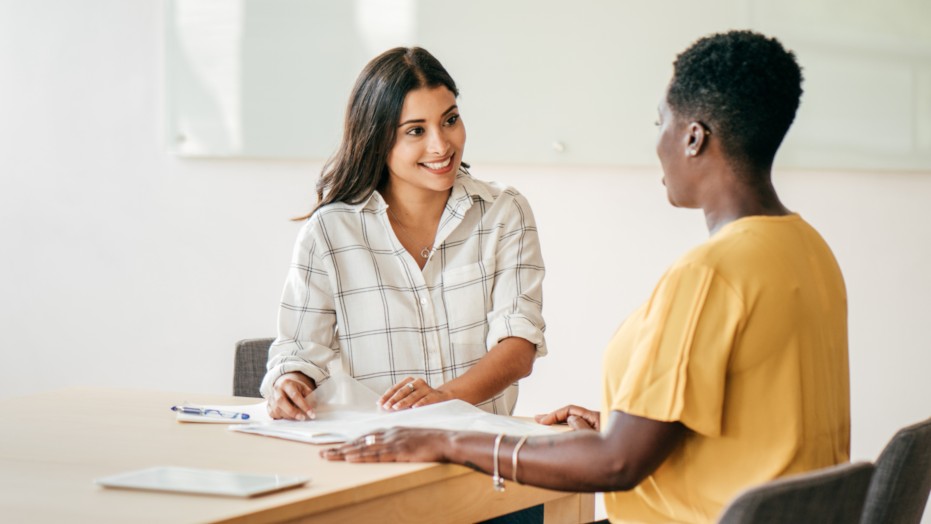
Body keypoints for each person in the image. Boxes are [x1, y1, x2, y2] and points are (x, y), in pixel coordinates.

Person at [321, 30, 851, 524]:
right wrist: (622, 426)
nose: (658, 143)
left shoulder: (709, 275)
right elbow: (757, 425)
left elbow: (617, 467)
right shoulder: (808, 250)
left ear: (693, 138)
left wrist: (446, 442)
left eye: (659, 123)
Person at [260, 47, 547, 422]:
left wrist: (442, 399)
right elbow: (298, 350)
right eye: (416, 130)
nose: (441, 145)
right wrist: (290, 382)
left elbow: (518, 345)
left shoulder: (503, 212)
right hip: (374, 450)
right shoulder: (330, 233)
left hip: (479, 451)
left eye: (450, 120)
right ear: (378, 138)